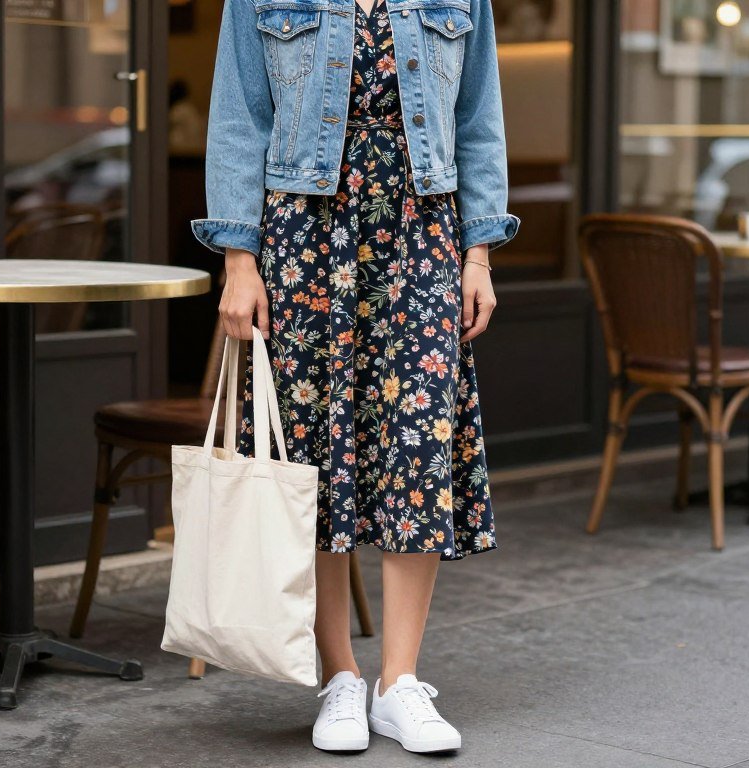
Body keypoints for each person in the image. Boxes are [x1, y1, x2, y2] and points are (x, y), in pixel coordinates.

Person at [192, 0, 517, 754]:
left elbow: (478, 120)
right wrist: (239, 260)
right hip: (302, 236)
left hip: (423, 232)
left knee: (418, 449)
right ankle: (339, 674)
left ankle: (399, 682)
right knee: (313, 454)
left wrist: (479, 253)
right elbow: (239, 119)